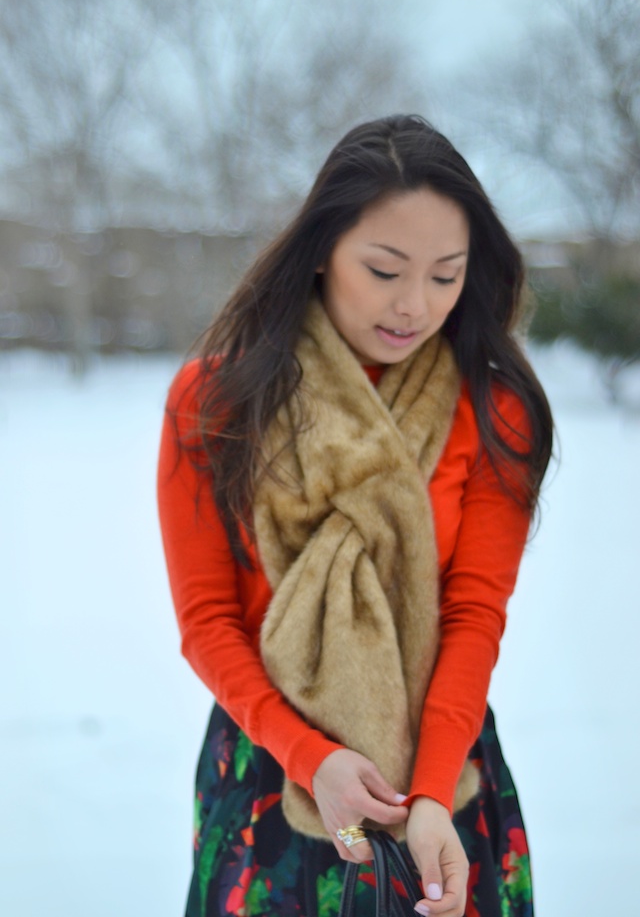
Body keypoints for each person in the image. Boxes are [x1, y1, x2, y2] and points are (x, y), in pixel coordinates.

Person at [157, 114, 553, 917]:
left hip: (442, 769)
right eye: (384, 270)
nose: (415, 305)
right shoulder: (214, 403)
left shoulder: (493, 410)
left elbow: (474, 614)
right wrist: (311, 758)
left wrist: (434, 791)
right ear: (322, 252)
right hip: (271, 764)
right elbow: (207, 621)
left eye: (447, 276)